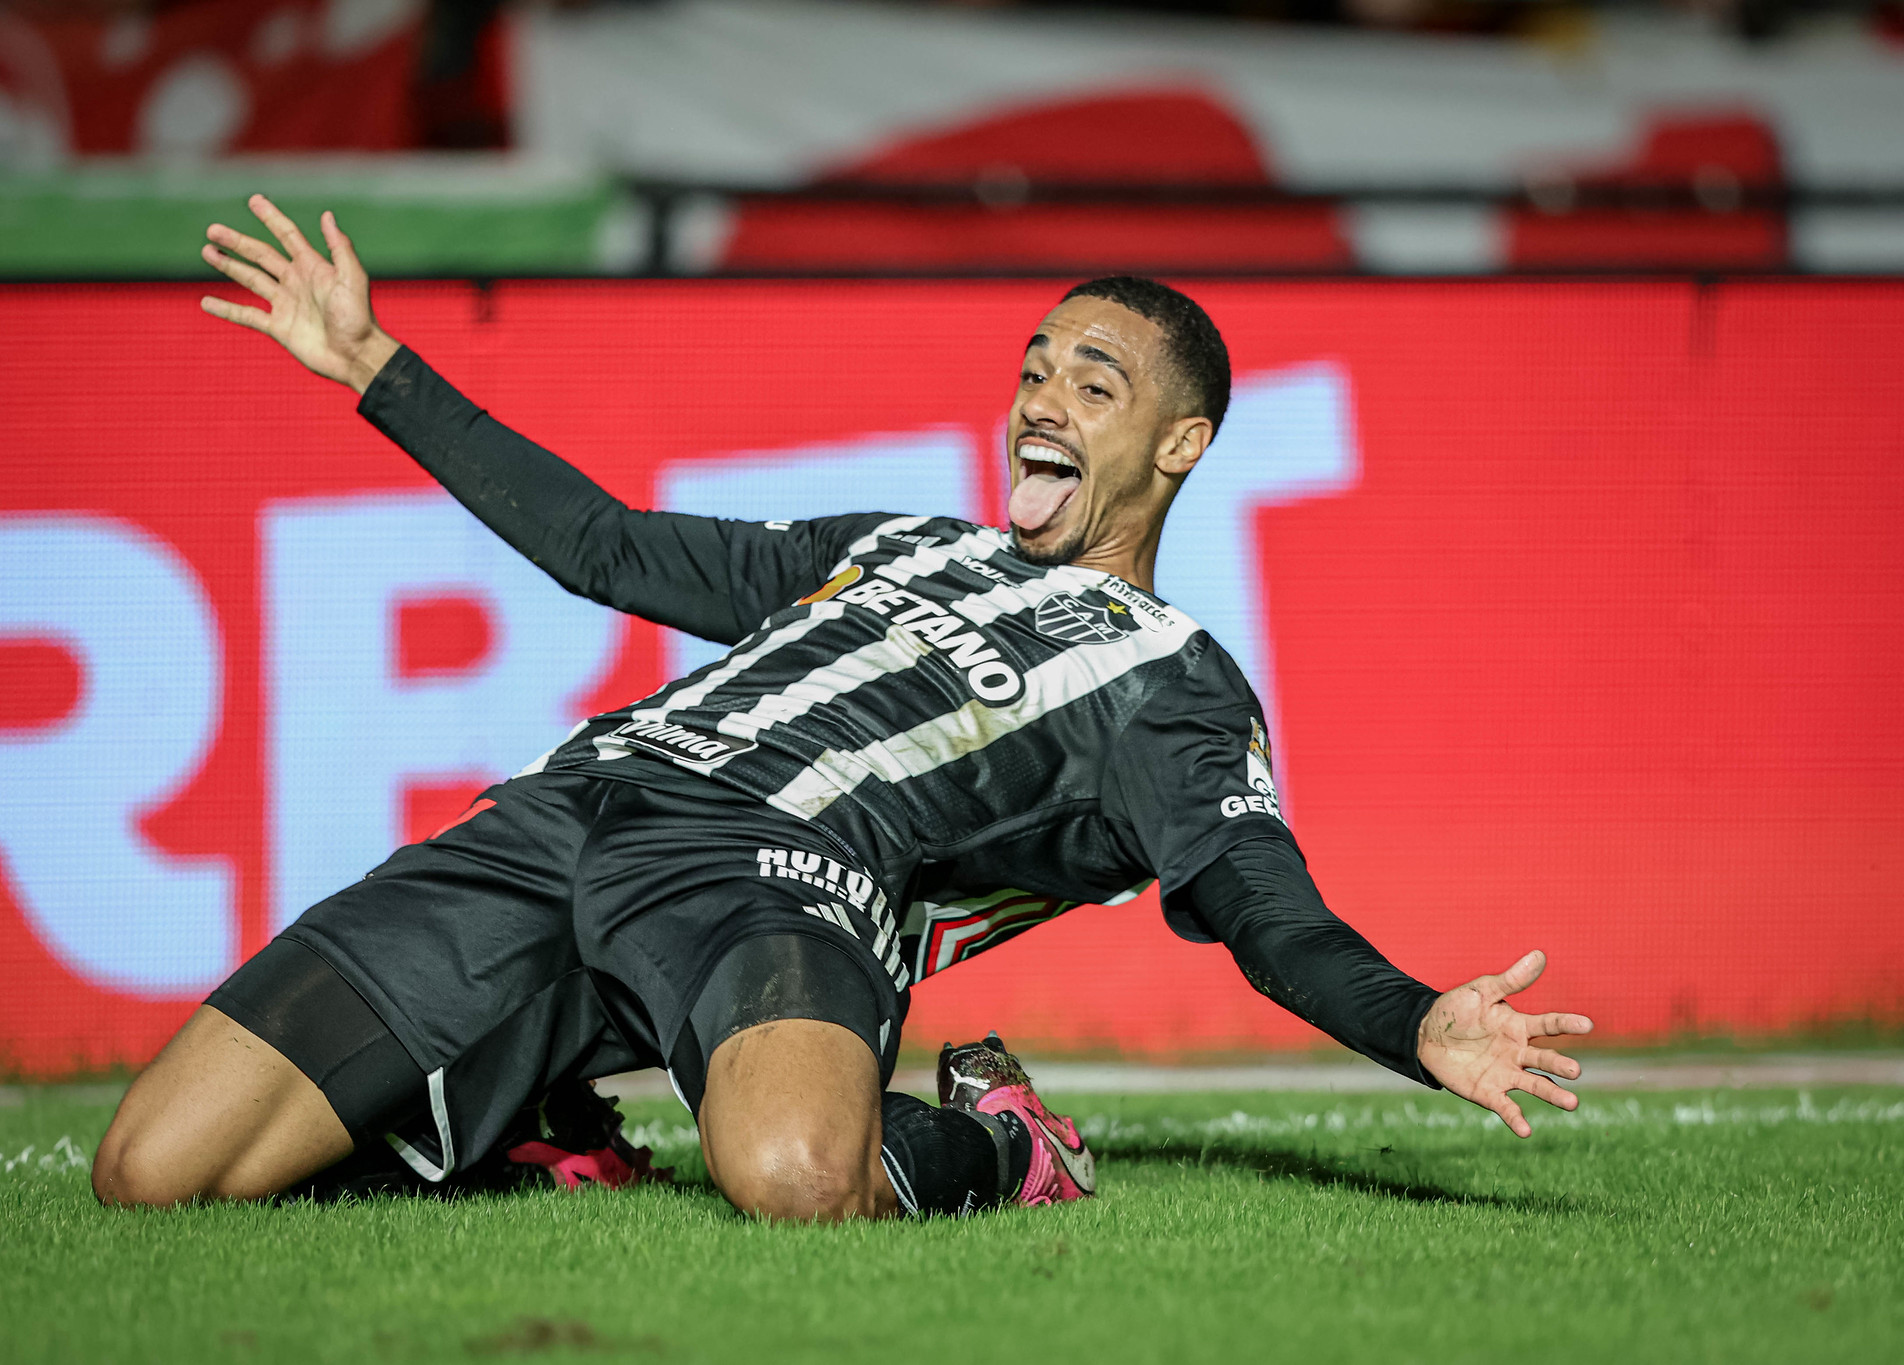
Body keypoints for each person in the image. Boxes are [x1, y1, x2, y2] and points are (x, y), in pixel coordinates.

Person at [92, 196, 1594, 1220]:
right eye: (1034, 368)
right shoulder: (900, 543)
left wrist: (1418, 1022)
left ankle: (1001, 1146)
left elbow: (1267, 910)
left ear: (1183, 443)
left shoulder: (1175, 689)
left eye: (1096, 380)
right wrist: (377, 367)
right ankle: (549, 1107)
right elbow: (607, 546)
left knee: (803, 1178)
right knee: (152, 1171)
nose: (1043, 400)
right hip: (573, 808)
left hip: (777, 876)